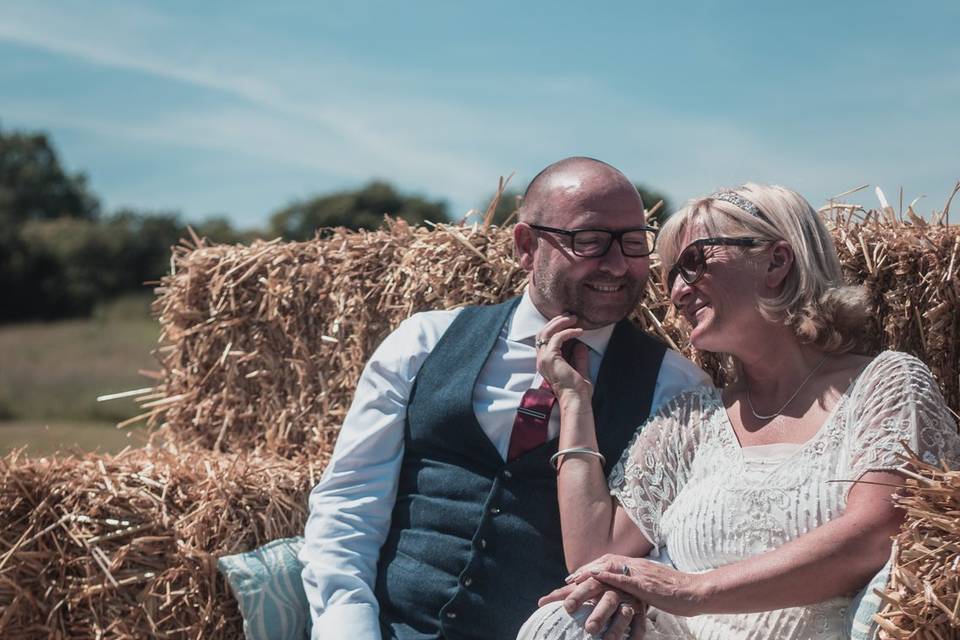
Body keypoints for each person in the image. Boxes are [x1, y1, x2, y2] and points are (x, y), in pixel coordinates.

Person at [520, 183, 960, 640]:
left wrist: (692, 590)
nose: (675, 292)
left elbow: (876, 533)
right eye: (669, 275)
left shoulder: (885, 383)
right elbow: (595, 553)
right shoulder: (692, 418)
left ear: (776, 261)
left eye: (692, 263)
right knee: (569, 622)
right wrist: (573, 399)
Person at [299, 157, 711, 640]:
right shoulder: (423, 343)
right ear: (525, 246)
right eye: (590, 240)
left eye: (634, 242)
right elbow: (349, 506)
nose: (618, 264)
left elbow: (670, 551)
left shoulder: (678, 393)